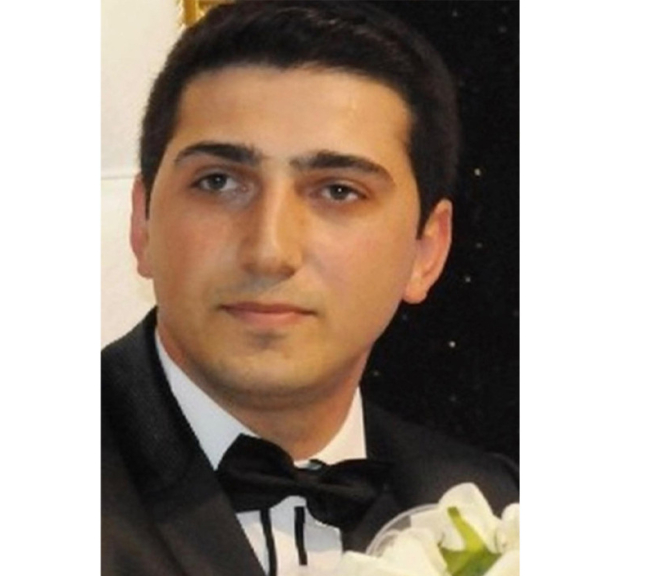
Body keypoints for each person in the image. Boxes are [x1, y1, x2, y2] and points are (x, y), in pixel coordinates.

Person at [101, 3, 519, 575]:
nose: (269, 250)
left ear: (426, 250)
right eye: (218, 182)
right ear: (143, 223)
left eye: (338, 191)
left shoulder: (493, 506)